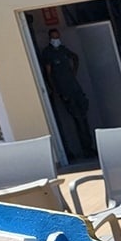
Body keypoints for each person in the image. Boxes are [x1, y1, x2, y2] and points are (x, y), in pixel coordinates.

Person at [39, 28, 95, 159]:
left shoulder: (63, 50)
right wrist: (55, 89)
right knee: (77, 119)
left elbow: (75, 57)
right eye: (54, 37)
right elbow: (48, 73)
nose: (56, 40)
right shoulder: (48, 53)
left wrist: (74, 71)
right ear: (50, 38)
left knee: (84, 116)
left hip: (75, 88)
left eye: (57, 37)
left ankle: (89, 147)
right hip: (65, 91)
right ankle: (84, 148)